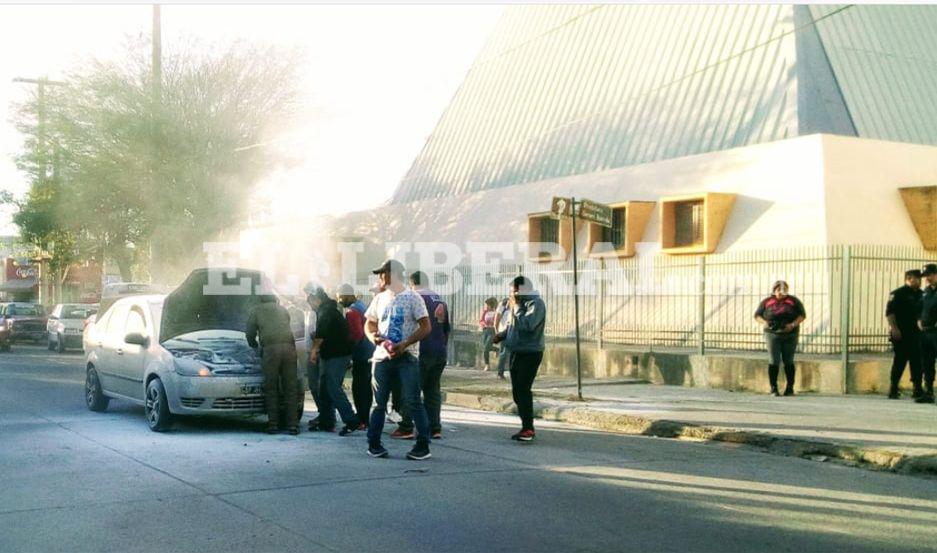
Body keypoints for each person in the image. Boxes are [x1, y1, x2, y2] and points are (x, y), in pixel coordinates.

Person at [364, 259, 433, 460]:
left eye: (382, 273)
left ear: (393, 274)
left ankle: (422, 445)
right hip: (382, 357)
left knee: (413, 401)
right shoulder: (380, 298)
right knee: (379, 403)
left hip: (407, 357)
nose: (379, 278)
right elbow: (369, 324)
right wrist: (374, 338)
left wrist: (405, 344)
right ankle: (374, 443)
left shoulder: (413, 298)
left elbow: (426, 326)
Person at [392, 271, 450, 440]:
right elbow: (446, 328)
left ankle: (406, 426)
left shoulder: (416, 298)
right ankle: (435, 427)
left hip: (421, 350)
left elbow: (411, 325)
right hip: (439, 351)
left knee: (411, 389)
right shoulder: (439, 299)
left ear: (412, 284)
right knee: (433, 391)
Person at [493, 276, 545, 442]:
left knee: (523, 389)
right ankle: (525, 426)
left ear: (521, 290)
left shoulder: (536, 304)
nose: (511, 295)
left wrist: (516, 307)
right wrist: (502, 335)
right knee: (517, 391)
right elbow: (513, 326)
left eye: (513, 291)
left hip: (530, 352)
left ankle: (528, 428)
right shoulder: (518, 304)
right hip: (516, 351)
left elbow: (528, 325)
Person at [309, 285, 360, 435]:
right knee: (324, 387)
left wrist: (314, 350)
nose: (310, 306)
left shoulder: (326, 311)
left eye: (310, 302)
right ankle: (327, 421)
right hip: (332, 354)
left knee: (332, 386)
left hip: (337, 355)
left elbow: (321, 332)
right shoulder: (329, 309)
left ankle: (351, 420)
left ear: (316, 299)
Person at [246, 293, 299, 435]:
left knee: (271, 388)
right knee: (291, 388)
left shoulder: (256, 310)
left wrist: (254, 345)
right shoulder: (283, 309)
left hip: (270, 350)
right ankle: (293, 425)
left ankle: (273, 424)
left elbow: (250, 333)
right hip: (289, 348)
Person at [754, 281, 807, 397]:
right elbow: (757, 315)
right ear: (774, 290)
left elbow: (802, 315)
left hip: (790, 334)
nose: (781, 293)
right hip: (772, 334)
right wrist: (765, 323)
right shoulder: (767, 302)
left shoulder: (793, 301)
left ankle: (789, 388)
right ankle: (773, 388)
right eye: (779, 290)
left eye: (784, 290)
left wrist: (792, 325)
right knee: (774, 360)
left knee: (788, 360)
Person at [338, 283, 374, 429]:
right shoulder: (362, 306)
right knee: (366, 387)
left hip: (362, 355)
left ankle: (362, 419)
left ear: (347, 295)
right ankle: (365, 419)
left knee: (359, 388)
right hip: (371, 352)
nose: (340, 301)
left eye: (340, 297)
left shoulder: (352, 312)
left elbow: (357, 335)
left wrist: (348, 353)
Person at [885, 269, 924, 399]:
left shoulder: (921, 294)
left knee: (917, 361)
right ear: (910, 278)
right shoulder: (897, 294)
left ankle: (917, 388)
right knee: (900, 361)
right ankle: (893, 387)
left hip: (916, 334)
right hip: (901, 333)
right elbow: (890, 313)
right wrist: (895, 329)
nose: (920, 282)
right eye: (917, 279)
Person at [303, 282, 333, 432]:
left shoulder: (320, 312)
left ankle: (326, 415)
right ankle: (324, 414)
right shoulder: (311, 312)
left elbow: (317, 334)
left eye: (309, 294)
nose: (307, 298)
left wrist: (314, 350)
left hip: (318, 353)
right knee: (315, 386)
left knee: (318, 386)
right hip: (312, 351)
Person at [916, 263, 937, 404]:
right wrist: (919, 319)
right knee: (927, 363)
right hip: (926, 332)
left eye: (929, 275)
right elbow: (920, 308)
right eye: (926, 276)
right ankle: (928, 391)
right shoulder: (927, 291)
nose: (927, 278)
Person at [494, 297, 512, 380]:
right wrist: (497, 332)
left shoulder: (515, 307)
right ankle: (500, 373)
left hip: (512, 331)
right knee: (504, 353)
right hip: (503, 331)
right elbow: (496, 320)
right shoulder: (502, 306)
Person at [479, 297, 498, 371]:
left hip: (492, 331)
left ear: (491, 305)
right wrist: (484, 324)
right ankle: (496, 350)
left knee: (486, 348)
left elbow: (498, 321)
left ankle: (487, 365)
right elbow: (481, 320)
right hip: (485, 330)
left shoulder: (496, 312)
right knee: (486, 348)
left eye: (487, 305)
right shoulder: (485, 312)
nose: (486, 306)